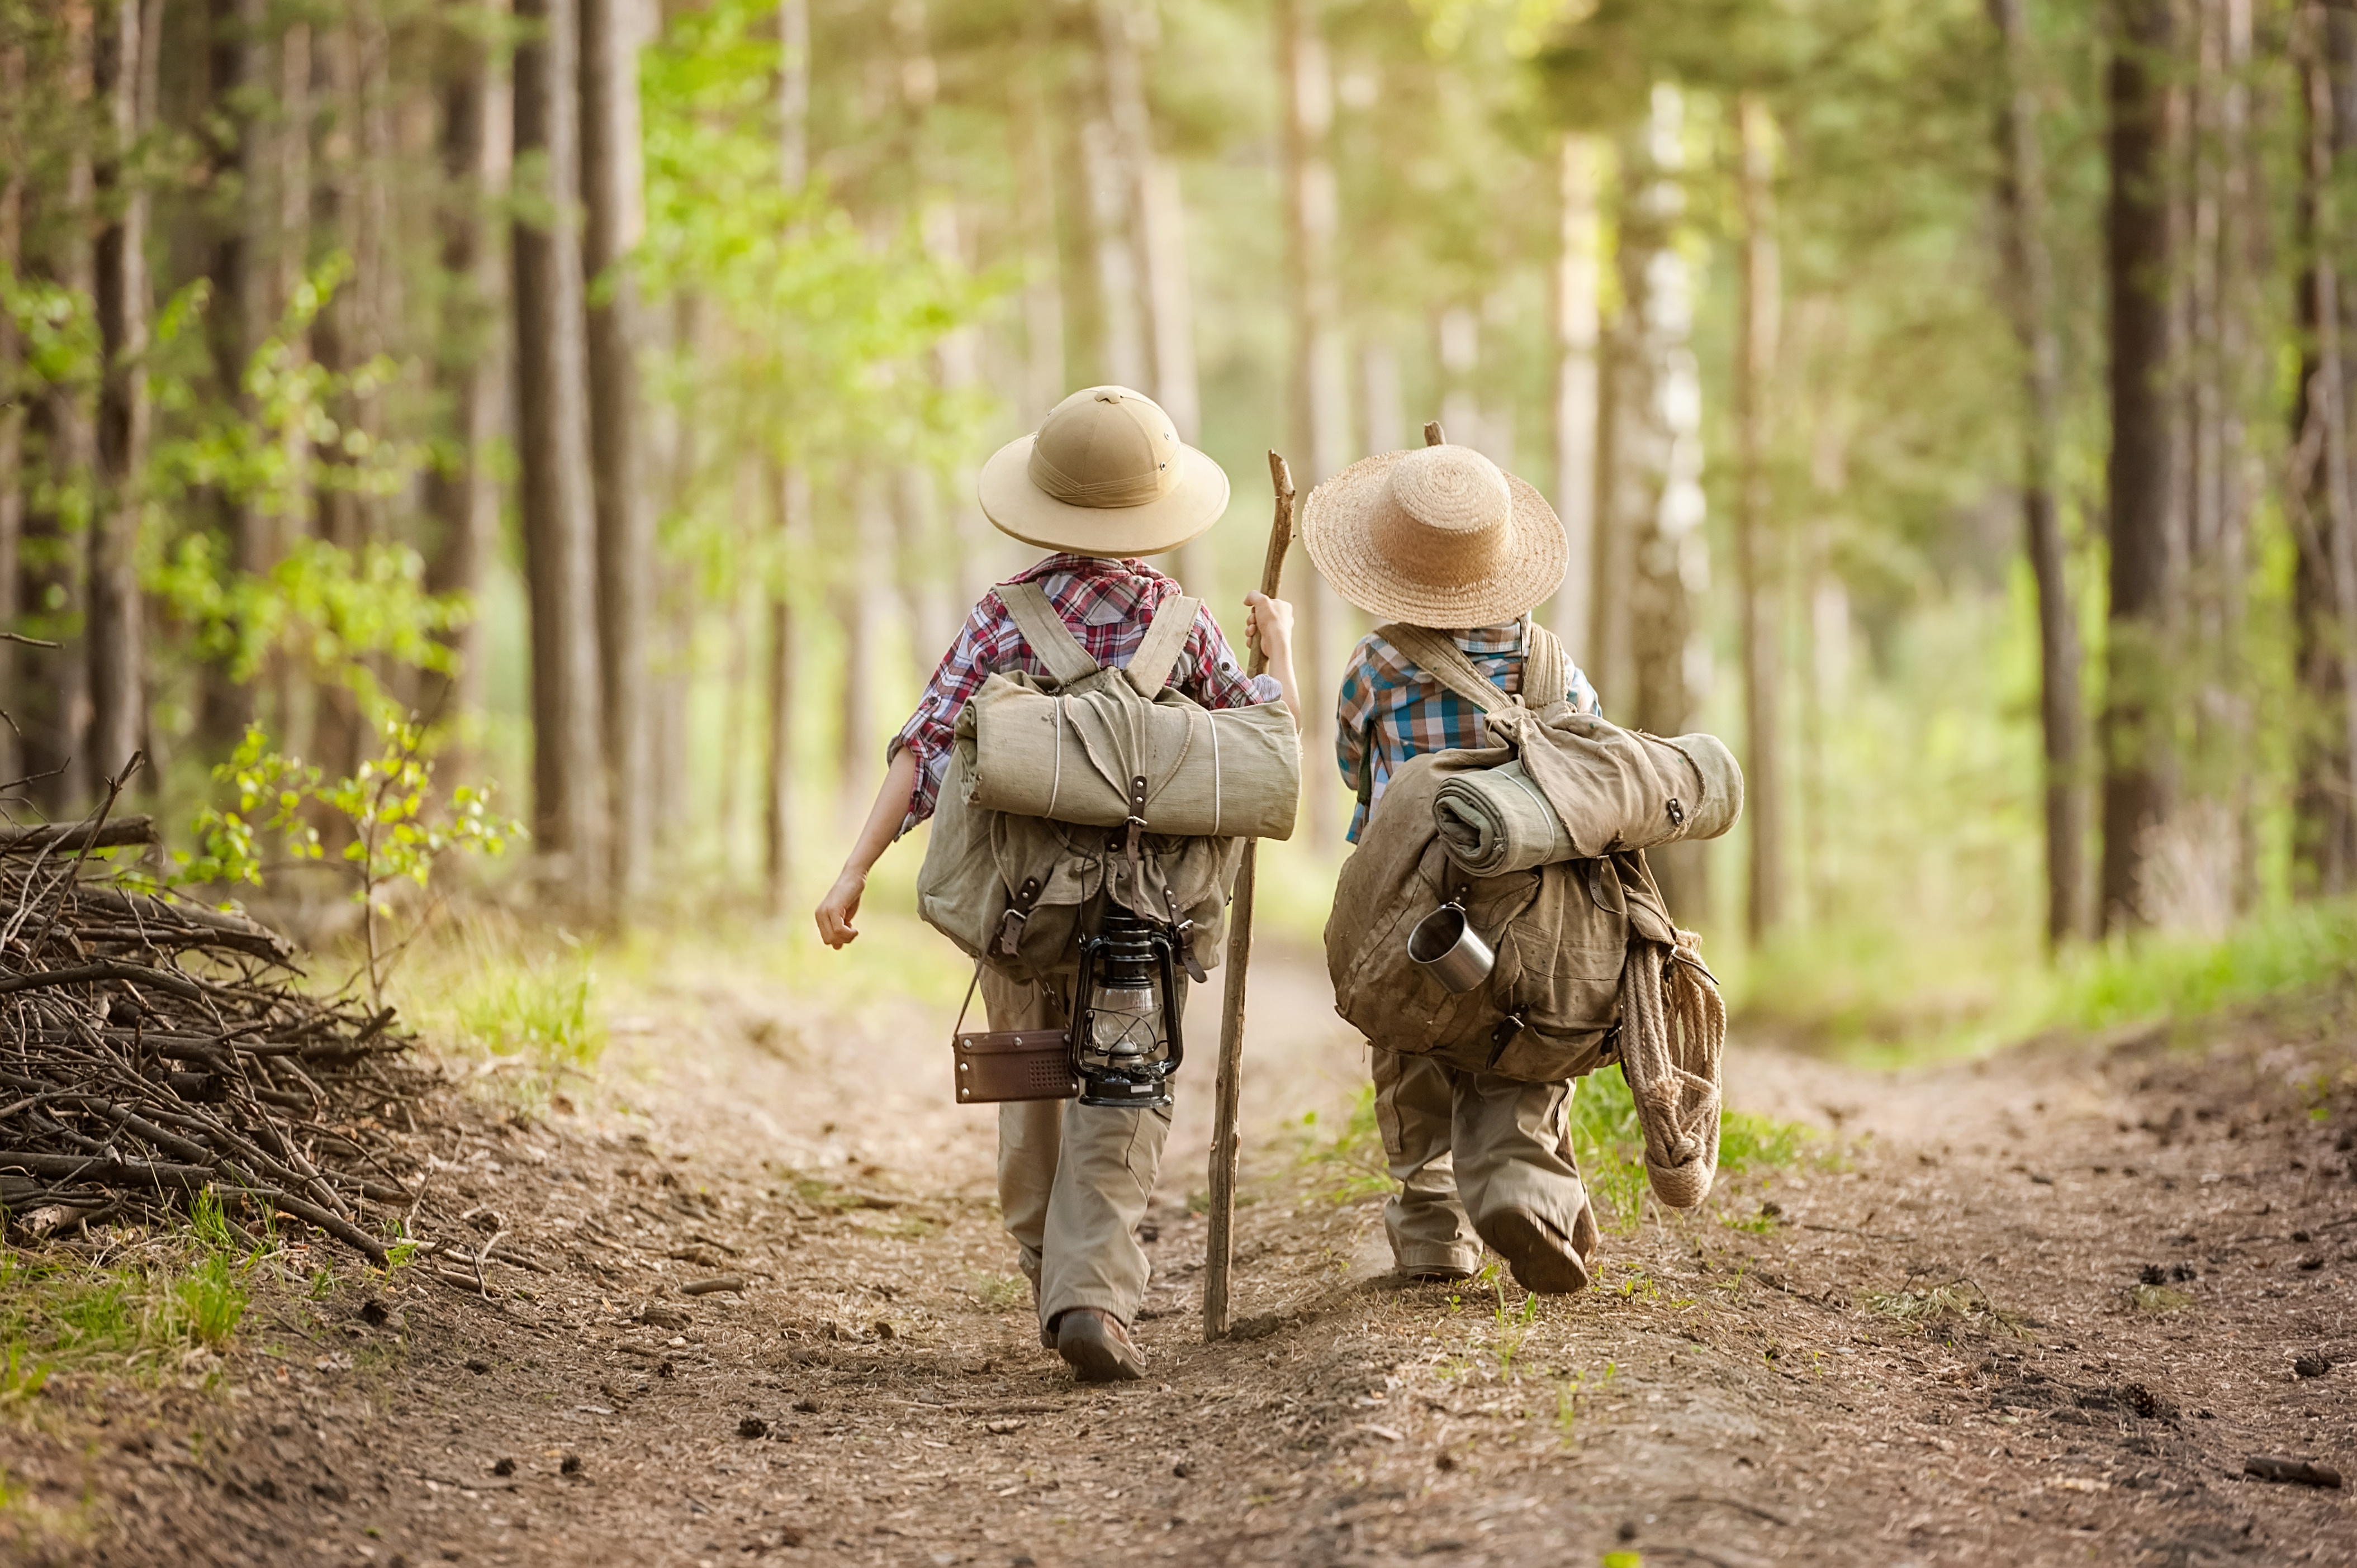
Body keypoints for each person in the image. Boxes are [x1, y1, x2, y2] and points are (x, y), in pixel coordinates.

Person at [815, 386, 1299, 1380]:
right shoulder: (1188, 626)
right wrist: (1278, 653)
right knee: (1126, 1092)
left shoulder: (1004, 615)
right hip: (1145, 914)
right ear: (1153, 512)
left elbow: (923, 748)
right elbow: (1262, 754)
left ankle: (1048, 1261)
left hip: (1018, 907)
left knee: (1032, 1079)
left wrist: (854, 868)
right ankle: (1090, 1293)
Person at [1299, 438, 1606, 1293]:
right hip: (1537, 901)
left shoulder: (1377, 665)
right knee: (1524, 1042)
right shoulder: (1553, 665)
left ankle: (1432, 1225)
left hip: (1416, 901)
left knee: (1411, 1044)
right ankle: (1518, 1185)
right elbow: (1586, 761)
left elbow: (1354, 772)